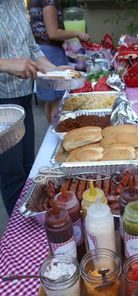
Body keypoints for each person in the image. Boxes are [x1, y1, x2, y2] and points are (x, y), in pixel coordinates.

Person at [0, 0, 68, 216]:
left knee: (29, 169)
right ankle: (19, 235)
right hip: (2, 104)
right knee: (13, 176)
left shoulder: (17, 3)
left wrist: (55, 70)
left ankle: (31, 221)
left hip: (23, 96)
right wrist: (5, 64)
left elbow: (32, 48)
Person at [29, 0, 90, 122]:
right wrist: (77, 33)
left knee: (50, 100)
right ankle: (57, 133)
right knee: (58, 101)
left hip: (41, 50)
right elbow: (53, 33)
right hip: (50, 52)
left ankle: (52, 131)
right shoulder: (49, 2)